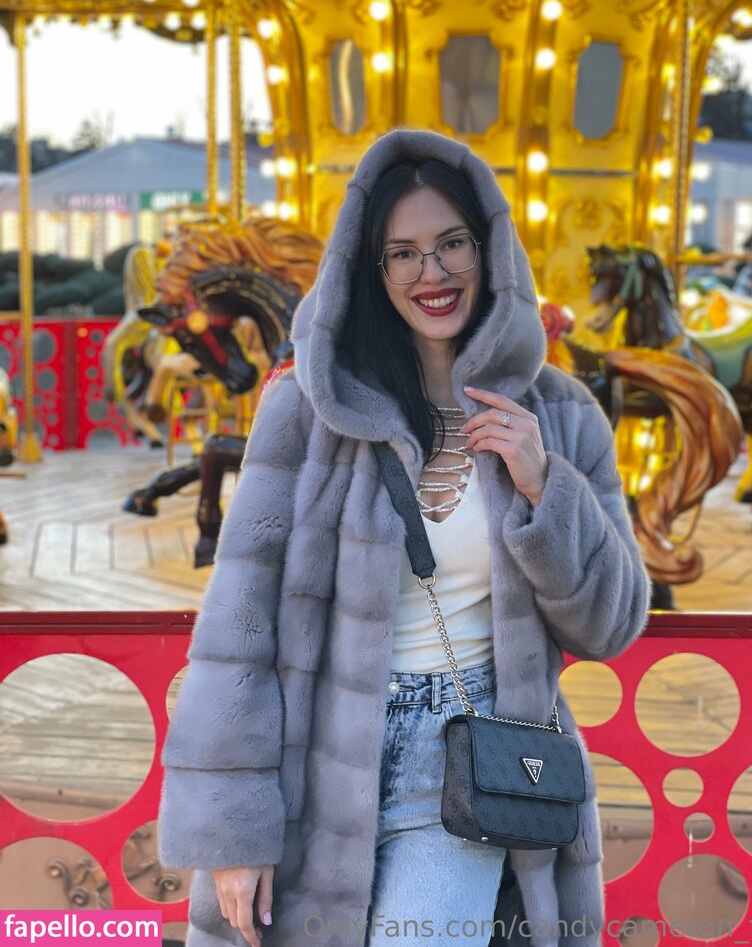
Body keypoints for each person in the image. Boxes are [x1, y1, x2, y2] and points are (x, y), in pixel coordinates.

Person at [157, 129, 651, 947]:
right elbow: (239, 628)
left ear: (489, 251)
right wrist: (231, 829)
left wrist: (544, 488)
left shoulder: (560, 414)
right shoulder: (307, 410)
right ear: (372, 268)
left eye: (452, 244)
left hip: (466, 754)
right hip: (313, 753)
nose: (432, 273)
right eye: (403, 253)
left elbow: (613, 624)